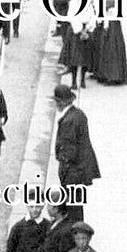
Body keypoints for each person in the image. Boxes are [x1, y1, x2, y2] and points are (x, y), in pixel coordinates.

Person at [52, 85, 100, 223]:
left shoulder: (68, 121)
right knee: (74, 203)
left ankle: (75, 232)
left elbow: (69, 151)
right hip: (81, 168)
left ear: (61, 102)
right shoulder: (78, 114)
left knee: (73, 206)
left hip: (73, 170)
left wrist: (63, 164)